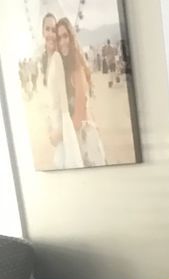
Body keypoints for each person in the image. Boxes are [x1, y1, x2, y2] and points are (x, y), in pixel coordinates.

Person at [56, 17, 105, 167]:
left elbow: (79, 115)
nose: (63, 41)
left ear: (71, 37)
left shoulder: (77, 69)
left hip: (86, 141)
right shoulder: (67, 68)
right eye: (59, 38)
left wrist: (59, 135)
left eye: (65, 36)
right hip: (78, 138)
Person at [41, 12, 82, 169]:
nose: (51, 34)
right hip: (55, 128)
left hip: (62, 130)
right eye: (48, 29)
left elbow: (64, 103)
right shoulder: (48, 61)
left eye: (53, 30)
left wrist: (61, 132)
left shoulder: (57, 58)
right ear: (42, 32)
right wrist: (50, 129)